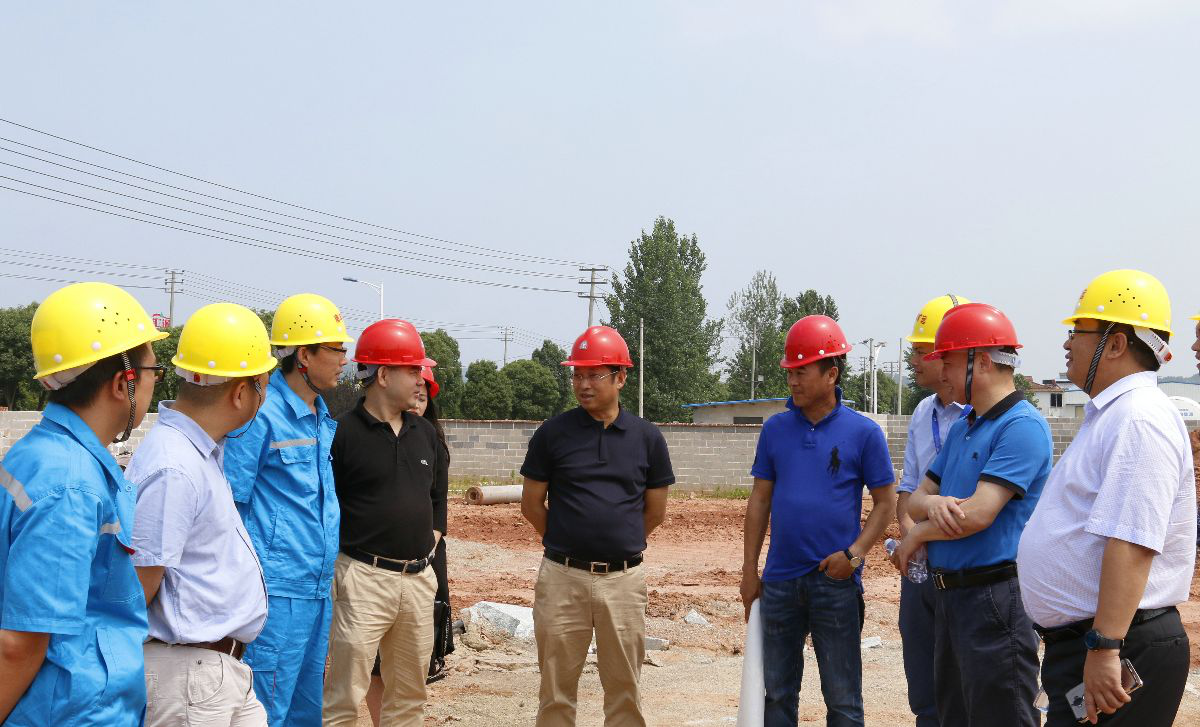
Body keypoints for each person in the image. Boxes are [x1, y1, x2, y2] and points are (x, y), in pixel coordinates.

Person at [1017, 270, 1196, 726]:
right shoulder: (1112, 414)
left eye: (1078, 331)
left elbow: (1133, 540)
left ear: (1115, 344)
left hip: (1118, 647)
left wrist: (1105, 646)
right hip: (1097, 644)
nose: (1066, 343)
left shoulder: (1139, 417)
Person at [0, 282, 166, 725]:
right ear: (123, 383)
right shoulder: (71, 486)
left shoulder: (40, 454)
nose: (155, 383)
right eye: (154, 371)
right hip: (70, 710)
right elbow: (21, 644)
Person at [894, 302, 1051, 727]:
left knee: (1001, 715)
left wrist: (917, 534)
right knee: (954, 714)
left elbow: (978, 514)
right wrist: (932, 507)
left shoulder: (1021, 426)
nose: (941, 373)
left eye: (947, 361)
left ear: (980, 361)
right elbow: (918, 497)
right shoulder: (966, 427)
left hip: (994, 597)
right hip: (952, 595)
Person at [741, 314, 896, 727]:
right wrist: (749, 570)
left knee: (843, 701)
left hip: (835, 582)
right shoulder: (775, 430)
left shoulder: (864, 433)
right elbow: (759, 500)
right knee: (776, 697)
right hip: (779, 582)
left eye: (801, 371)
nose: (792, 380)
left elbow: (886, 503)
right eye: (789, 371)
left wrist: (855, 555)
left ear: (831, 374)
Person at [126, 303, 276, 726]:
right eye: (263, 385)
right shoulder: (175, 467)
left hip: (214, 673)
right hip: (188, 678)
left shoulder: (197, 454)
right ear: (240, 393)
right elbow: (138, 589)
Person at [520, 325, 674, 727]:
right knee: (555, 691)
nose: (583, 384)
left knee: (624, 691)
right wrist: (565, 539)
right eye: (577, 375)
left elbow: (655, 511)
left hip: (623, 582)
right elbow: (531, 504)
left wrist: (618, 542)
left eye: (594, 375)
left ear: (620, 378)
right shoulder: (552, 434)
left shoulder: (647, 438)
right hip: (561, 579)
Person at [224, 293, 350, 727]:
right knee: (266, 709)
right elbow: (230, 504)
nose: (344, 360)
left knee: (306, 711)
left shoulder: (320, 415)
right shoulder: (261, 414)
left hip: (316, 589)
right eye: (335, 349)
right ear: (304, 355)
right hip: (275, 592)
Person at [324, 319, 446, 727]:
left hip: (418, 581)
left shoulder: (424, 433)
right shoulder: (341, 434)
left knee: (409, 698)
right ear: (382, 375)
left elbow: (436, 499)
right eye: (412, 370)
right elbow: (327, 505)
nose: (421, 379)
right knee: (345, 695)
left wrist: (429, 543)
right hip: (362, 579)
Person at [365, 366, 454, 727]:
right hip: (373, 568)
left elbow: (438, 510)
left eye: (423, 397)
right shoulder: (366, 436)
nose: (416, 403)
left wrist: (418, 556)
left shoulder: (432, 443)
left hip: (423, 565)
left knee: (410, 663)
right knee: (375, 663)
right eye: (413, 394)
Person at [896, 294, 970, 727]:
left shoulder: (988, 416)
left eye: (922, 350)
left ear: (948, 355)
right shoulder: (923, 412)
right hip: (922, 568)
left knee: (969, 687)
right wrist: (911, 535)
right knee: (925, 687)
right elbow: (908, 489)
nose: (913, 360)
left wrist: (922, 535)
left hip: (967, 567)